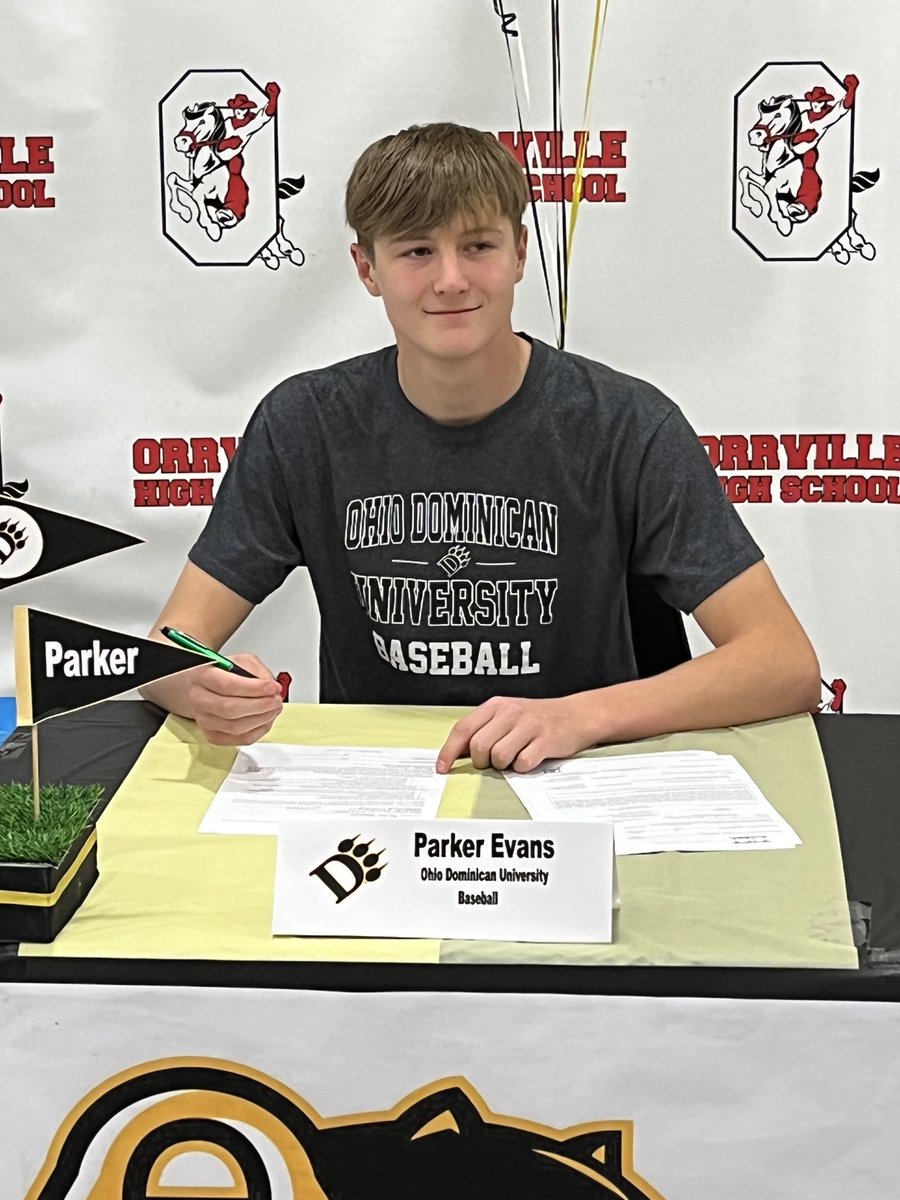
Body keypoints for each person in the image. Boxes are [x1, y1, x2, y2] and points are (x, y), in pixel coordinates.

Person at [142, 122, 820, 772]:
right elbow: (164, 650)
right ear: (366, 267)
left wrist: (579, 717)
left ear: (520, 253)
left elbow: (783, 662)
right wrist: (200, 686)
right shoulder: (305, 423)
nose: (451, 279)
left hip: (575, 785)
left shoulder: (626, 425)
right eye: (415, 250)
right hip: (376, 797)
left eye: (478, 246)